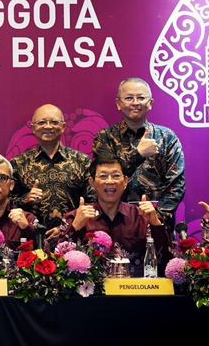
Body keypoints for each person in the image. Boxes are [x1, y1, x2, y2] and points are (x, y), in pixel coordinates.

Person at [92, 78, 186, 221]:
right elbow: (104, 178)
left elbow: (176, 184)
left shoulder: (167, 137)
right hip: (114, 220)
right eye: (129, 98)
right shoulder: (105, 137)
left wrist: (157, 217)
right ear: (118, 104)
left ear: (151, 103)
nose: (135, 103)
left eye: (141, 98)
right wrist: (138, 154)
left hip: (156, 219)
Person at [63, 154, 169, 275]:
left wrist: (156, 225)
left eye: (116, 176)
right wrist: (74, 227)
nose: (109, 181)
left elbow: (164, 261)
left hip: (134, 286)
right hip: (92, 287)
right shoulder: (77, 217)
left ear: (125, 182)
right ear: (92, 182)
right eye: (103, 176)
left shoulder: (141, 217)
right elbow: (57, 263)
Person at [10, 103, 91, 226]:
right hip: (31, 234)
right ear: (33, 128)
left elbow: (92, 201)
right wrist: (25, 199)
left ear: (63, 127)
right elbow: (7, 203)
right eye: (42, 122)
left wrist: (67, 227)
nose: (48, 126)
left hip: (73, 233)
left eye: (54, 122)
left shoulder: (82, 161)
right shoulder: (19, 163)